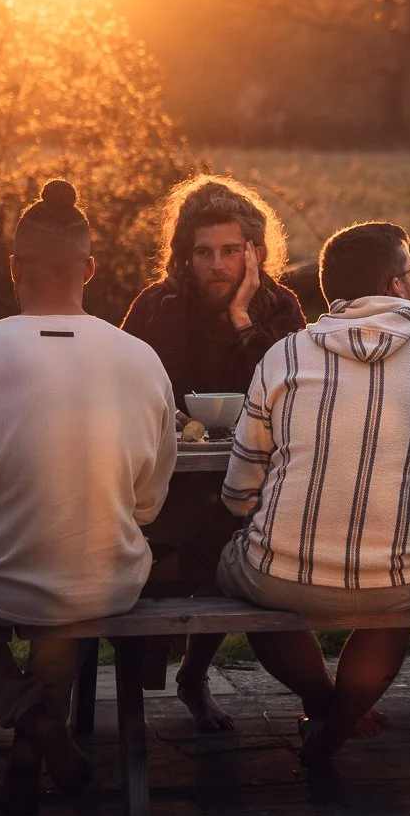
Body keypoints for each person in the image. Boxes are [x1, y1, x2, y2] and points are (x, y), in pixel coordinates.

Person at [0, 179, 176, 814]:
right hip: (110, 580)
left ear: (13, 269)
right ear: (90, 268)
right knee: (74, 565)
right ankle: (35, 744)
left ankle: (29, 717)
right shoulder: (143, 358)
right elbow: (146, 508)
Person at [217, 218, 410, 772]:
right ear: (398, 284)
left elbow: (240, 491)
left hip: (279, 572)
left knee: (241, 580)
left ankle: (322, 704)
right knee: (397, 594)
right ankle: (338, 717)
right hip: (404, 573)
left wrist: (247, 510)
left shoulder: (284, 355)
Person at [121, 176, 305, 730]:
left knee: (232, 533)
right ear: (185, 255)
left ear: (254, 252)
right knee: (167, 548)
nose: (217, 265)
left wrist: (243, 318)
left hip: (251, 480)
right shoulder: (157, 304)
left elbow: (291, 390)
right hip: (164, 475)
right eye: (204, 252)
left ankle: (191, 674)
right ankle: (150, 680)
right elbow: (121, 379)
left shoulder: (278, 306)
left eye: (230, 251)